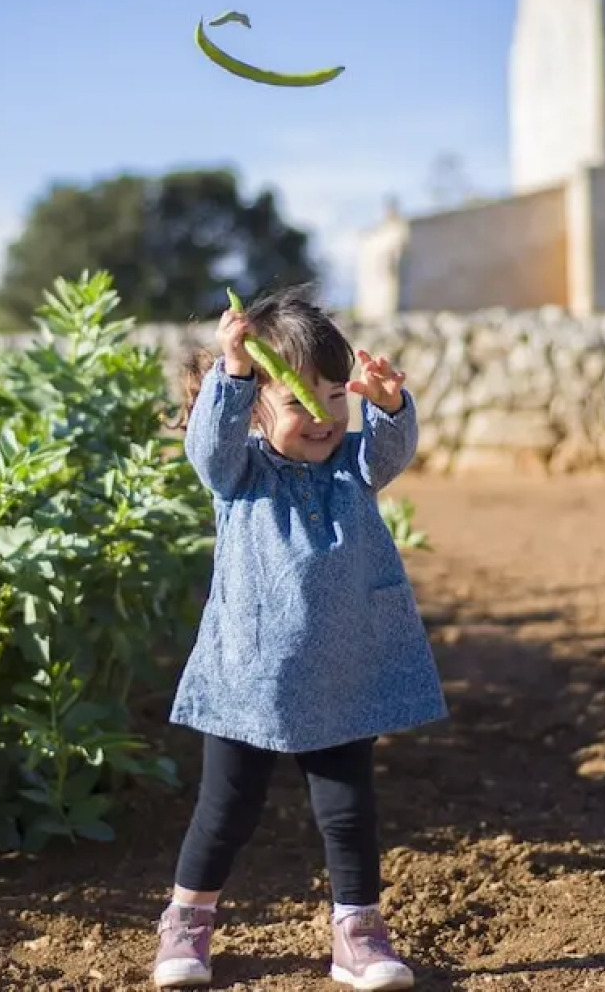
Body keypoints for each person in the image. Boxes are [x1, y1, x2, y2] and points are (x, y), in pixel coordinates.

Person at [150, 286, 448, 990]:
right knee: (225, 810)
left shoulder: (352, 467)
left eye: (333, 399)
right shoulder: (238, 475)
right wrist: (233, 371)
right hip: (248, 672)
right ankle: (186, 925)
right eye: (298, 402)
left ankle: (358, 936)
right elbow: (206, 443)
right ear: (254, 410)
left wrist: (388, 406)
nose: (322, 418)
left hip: (344, 668)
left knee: (347, 812)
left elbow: (392, 450)